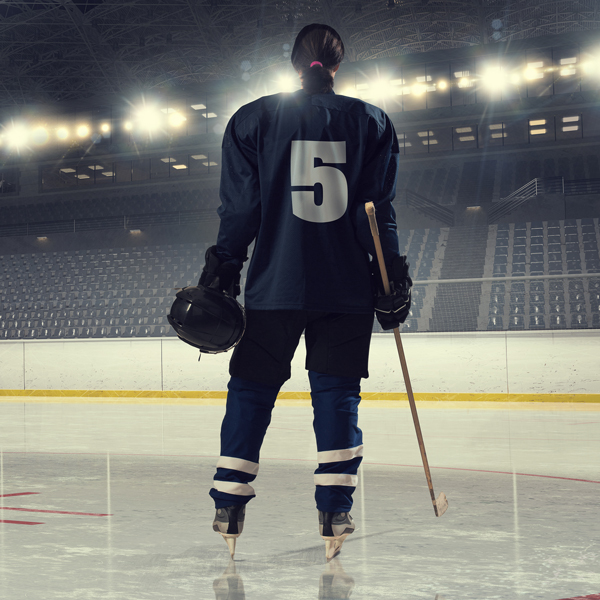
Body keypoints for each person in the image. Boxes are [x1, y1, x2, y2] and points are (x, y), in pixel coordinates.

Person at [200, 23, 412, 560]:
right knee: (337, 396)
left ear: (295, 63)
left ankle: (229, 501)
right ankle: (334, 509)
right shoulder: (372, 120)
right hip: (345, 288)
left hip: (274, 283)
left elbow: (241, 209)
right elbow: (376, 212)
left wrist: (225, 261)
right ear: (338, 65)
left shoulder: (252, 118)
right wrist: (392, 275)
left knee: (251, 389)